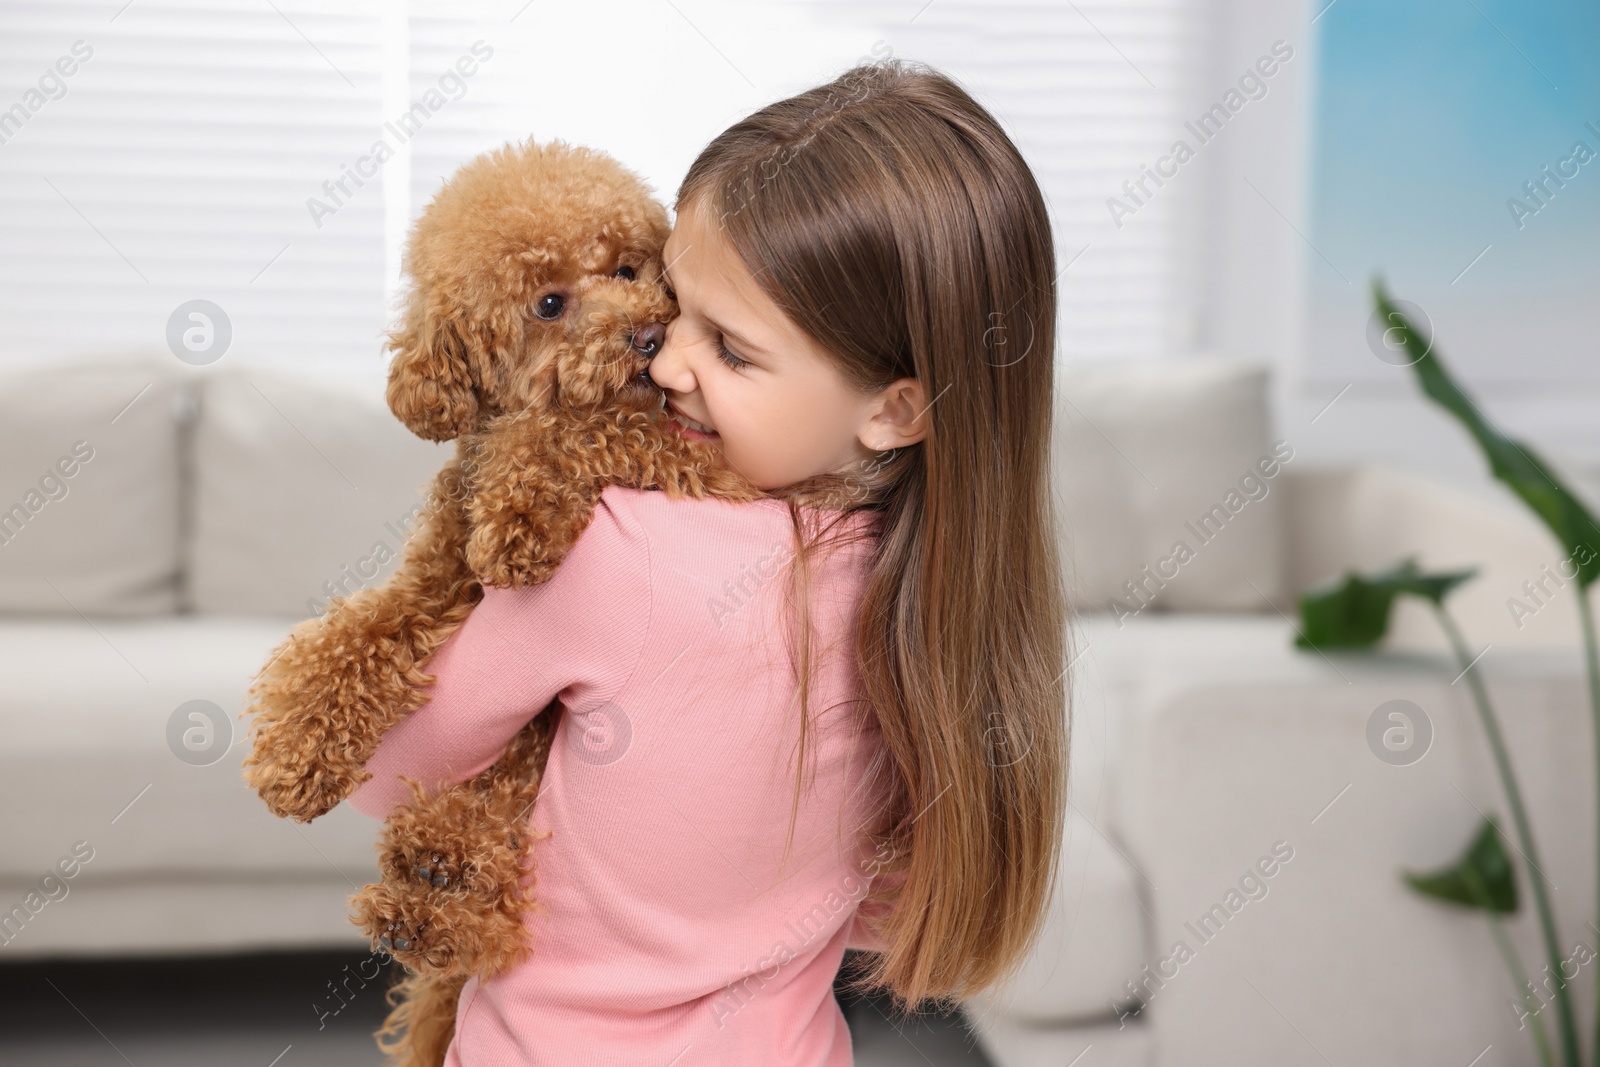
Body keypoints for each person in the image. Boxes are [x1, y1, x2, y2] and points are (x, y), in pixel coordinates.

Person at [348, 57, 1070, 1066]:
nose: (665, 358)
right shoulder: (932, 596)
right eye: (672, 302)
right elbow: (872, 908)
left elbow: (390, 766)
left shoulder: (620, 548)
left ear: (896, 406)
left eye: (730, 349)